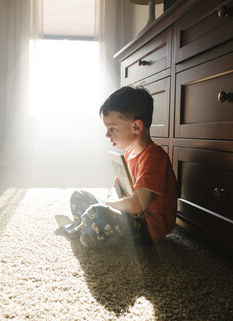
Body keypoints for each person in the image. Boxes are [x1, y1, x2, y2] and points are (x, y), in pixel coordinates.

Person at [56, 86, 177, 248]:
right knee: (78, 196)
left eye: (112, 129)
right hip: (128, 213)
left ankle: (76, 228)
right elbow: (117, 187)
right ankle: (95, 231)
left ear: (137, 127)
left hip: (147, 227)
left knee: (98, 211)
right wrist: (111, 199)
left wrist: (110, 205)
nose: (107, 135)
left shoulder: (154, 158)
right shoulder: (129, 153)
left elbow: (137, 205)